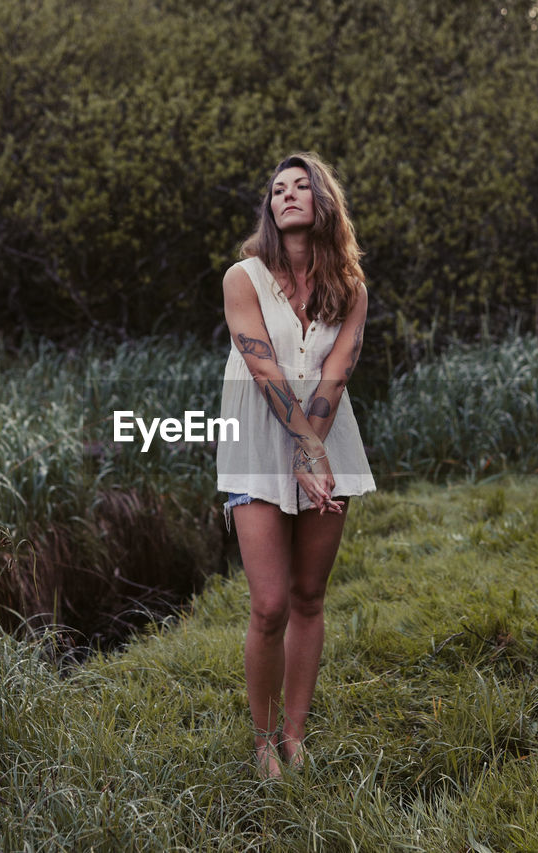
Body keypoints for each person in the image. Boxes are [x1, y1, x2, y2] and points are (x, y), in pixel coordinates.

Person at [217, 152, 375, 778]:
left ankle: (294, 737)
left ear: (322, 202)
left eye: (299, 187)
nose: (285, 196)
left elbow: (337, 374)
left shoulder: (351, 289)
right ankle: (260, 745)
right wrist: (302, 449)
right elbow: (263, 369)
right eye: (277, 189)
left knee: (310, 596)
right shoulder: (243, 277)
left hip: (328, 434)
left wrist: (315, 449)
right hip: (257, 441)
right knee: (270, 604)